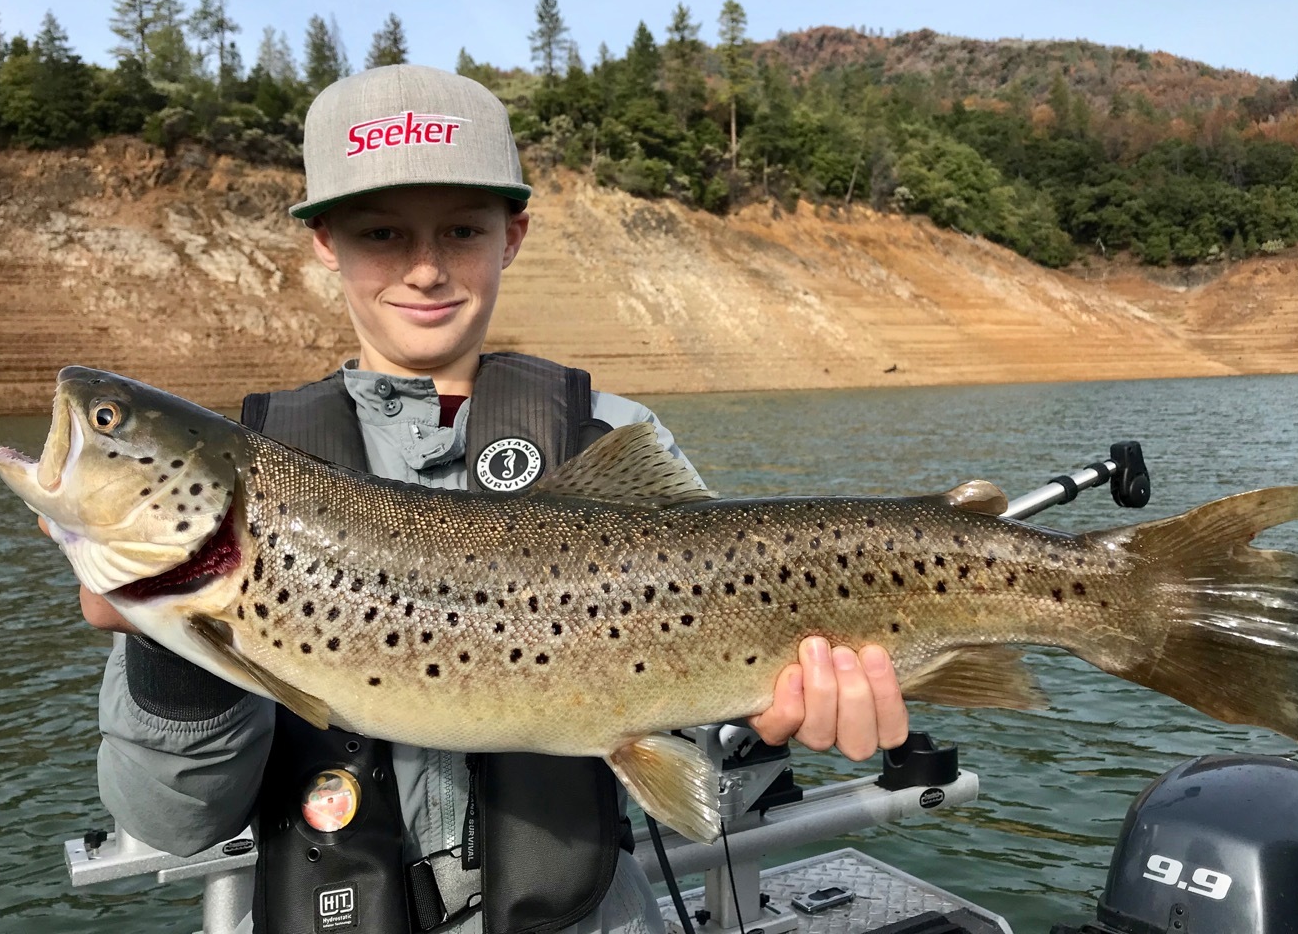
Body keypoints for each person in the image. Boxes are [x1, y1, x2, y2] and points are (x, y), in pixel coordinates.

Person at [72, 65, 910, 934]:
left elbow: (704, 755)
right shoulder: (258, 481)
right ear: (326, 241)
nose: (427, 269)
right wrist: (171, 647)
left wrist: (775, 725)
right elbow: (173, 822)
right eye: (384, 234)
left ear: (512, 236)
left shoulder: (609, 436)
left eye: (462, 230)